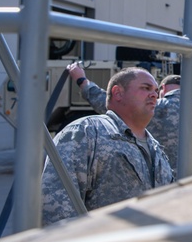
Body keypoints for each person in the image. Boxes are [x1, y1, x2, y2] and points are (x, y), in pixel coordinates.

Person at [42, 67, 174, 225]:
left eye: (156, 90)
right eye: (145, 88)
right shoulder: (86, 132)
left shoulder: (156, 149)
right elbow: (56, 206)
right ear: (118, 93)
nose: (154, 95)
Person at [67, 64, 192, 174]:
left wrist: (82, 80)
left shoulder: (148, 107)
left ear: (162, 89)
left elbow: (105, 101)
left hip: (152, 189)